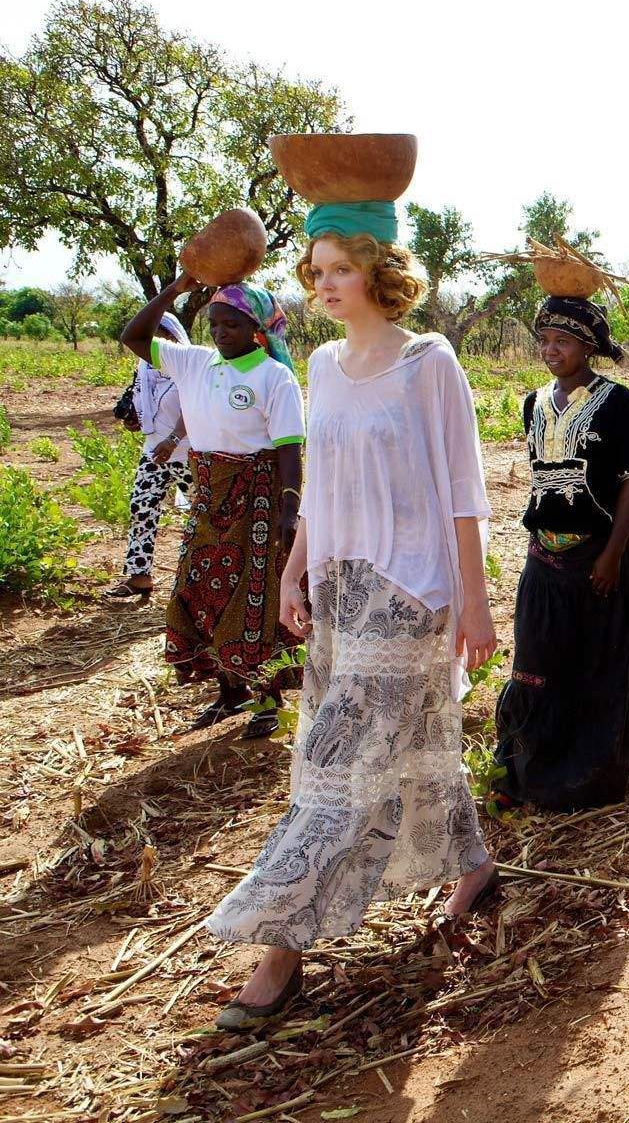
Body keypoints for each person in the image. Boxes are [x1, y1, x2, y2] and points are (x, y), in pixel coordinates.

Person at [205, 205, 497, 1031]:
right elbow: (321, 489)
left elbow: (464, 490)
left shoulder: (427, 361)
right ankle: (473, 865)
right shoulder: (324, 366)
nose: (322, 284)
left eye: (337, 268)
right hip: (339, 589)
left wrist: (473, 600)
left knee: (338, 767)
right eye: (315, 270)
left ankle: (279, 950)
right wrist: (296, 575)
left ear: (377, 270)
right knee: (414, 745)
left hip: (410, 591)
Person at [118, 278, 304, 738]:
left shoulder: (273, 376)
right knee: (199, 592)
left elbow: (289, 452)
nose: (221, 332)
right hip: (208, 495)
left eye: (232, 324)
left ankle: (266, 699)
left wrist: (288, 512)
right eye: (215, 324)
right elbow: (134, 337)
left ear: (256, 329)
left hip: (258, 496)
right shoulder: (195, 362)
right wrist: (176, 290)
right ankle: (229, 691)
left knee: (253, 601)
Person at [493, 295, 629, 808]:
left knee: (598, 666)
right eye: (544, 341)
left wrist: (611, 554)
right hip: (543, 557)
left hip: (597, 558)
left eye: (561, 341)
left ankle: (591, 775)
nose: (550, 350)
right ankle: (531, 764)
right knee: (538, 659)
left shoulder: (617, 401)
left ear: (587, 346)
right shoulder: (533, 403)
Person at [106, 314, 192, 601]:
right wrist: (135, 420)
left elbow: (196, 410)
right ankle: (139, 576)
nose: (157, 343)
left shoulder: (188, 367)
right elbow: (143, 405)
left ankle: (195, 580)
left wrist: (173, 439)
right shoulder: (145, 368)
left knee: (201, 516)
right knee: (142, 506)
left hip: (188, 453)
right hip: (154, 452)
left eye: (163, 336)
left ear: (174, 338)